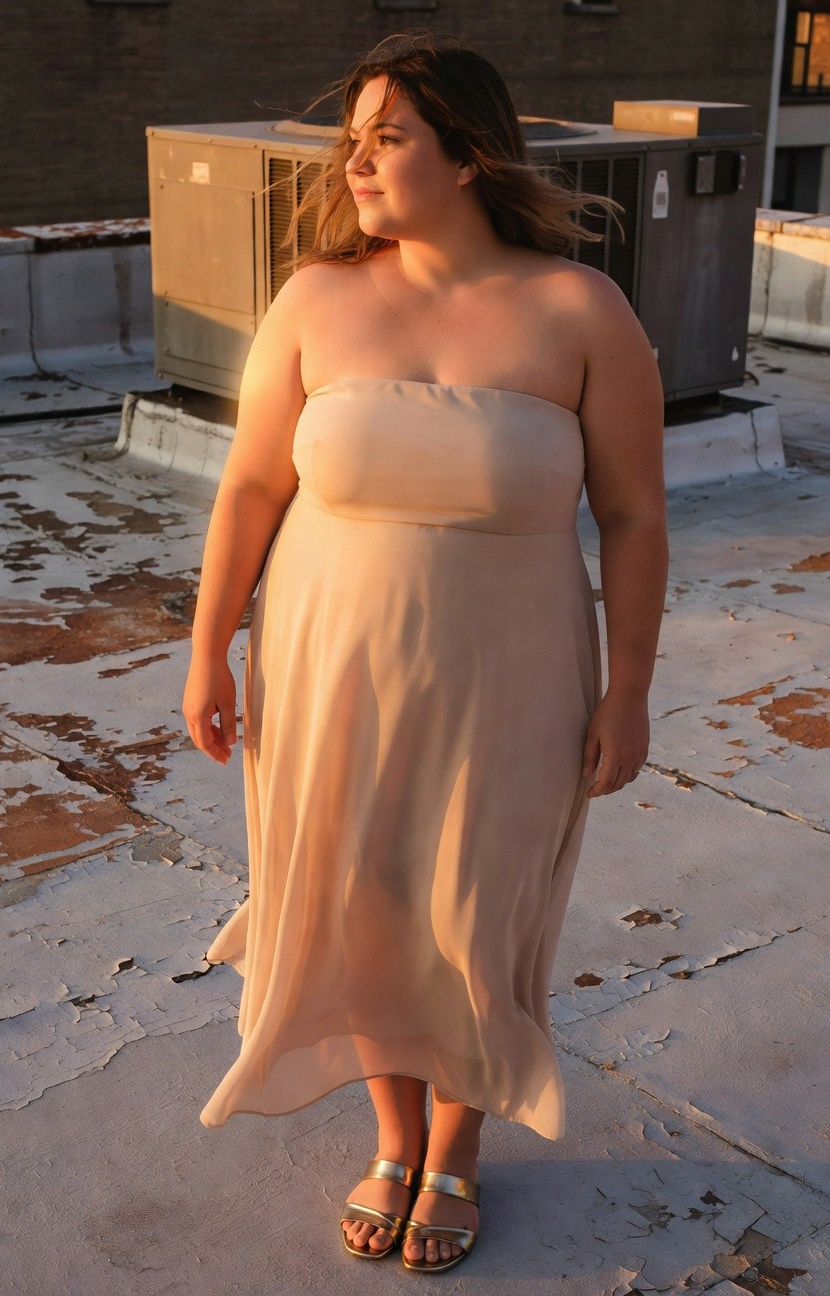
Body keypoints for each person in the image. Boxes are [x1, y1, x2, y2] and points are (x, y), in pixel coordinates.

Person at [183, 31, 668, 1275]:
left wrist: (629, 691)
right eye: (354, 137)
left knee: (478, 910)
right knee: (363, 907)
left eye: (388, 136)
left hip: (515, 681)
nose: (357, 160)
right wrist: (208, 654)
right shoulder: (314, 299)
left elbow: (632, 517)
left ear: (468, 152)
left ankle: (457, 1153)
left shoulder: (581, 311)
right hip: (327, 667)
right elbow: (247, 489)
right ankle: (395, 1142)